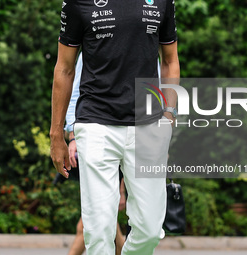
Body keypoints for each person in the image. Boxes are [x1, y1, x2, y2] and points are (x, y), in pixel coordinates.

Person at [50, 0, 179, 254]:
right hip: (96, 125)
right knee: (98, 232)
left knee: (150, 230)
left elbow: (170, 60)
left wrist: (169, 116)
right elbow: (64, 69)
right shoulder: (78, 2)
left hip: (149, 127)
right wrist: (57, 135)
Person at [65, 54, 126, 255]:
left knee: (93, 224)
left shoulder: (143, 40)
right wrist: (73, 136)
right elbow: (75, 93)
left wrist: (123, 191)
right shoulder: (95, 40)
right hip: (95, 137)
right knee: (97, 222)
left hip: (130, 139)